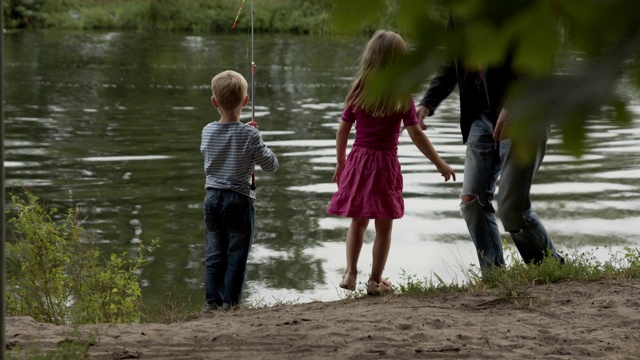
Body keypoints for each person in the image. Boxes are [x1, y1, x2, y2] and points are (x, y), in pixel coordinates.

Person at [416, 19, 563, 271]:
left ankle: (550, 269)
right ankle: (494, 276)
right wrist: (428, 102)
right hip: (481, 117)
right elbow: (454, 62)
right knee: (472, 200)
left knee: (512, 209)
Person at [327, 30, 456, 296]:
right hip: (385, 165)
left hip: (359, 161)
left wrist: (341, 163)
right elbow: (416, 133)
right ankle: (374, 281)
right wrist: (439, 163)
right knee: (384, 226)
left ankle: (350, 272)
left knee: (358, 221)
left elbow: (342, 130)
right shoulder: (401, 94)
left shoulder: (359, 89)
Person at [201, 70, 279, 310]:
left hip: (212, 199)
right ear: (246, 101)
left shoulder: (207, 131)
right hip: (239, 200)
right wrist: (257, 137)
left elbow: (215, 154)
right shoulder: (250, 134)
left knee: (215, 254)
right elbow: (271, 166)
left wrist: (247, 135)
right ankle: (231, 304)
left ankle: (211, 303)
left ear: (214, 102)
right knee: (237, 255)